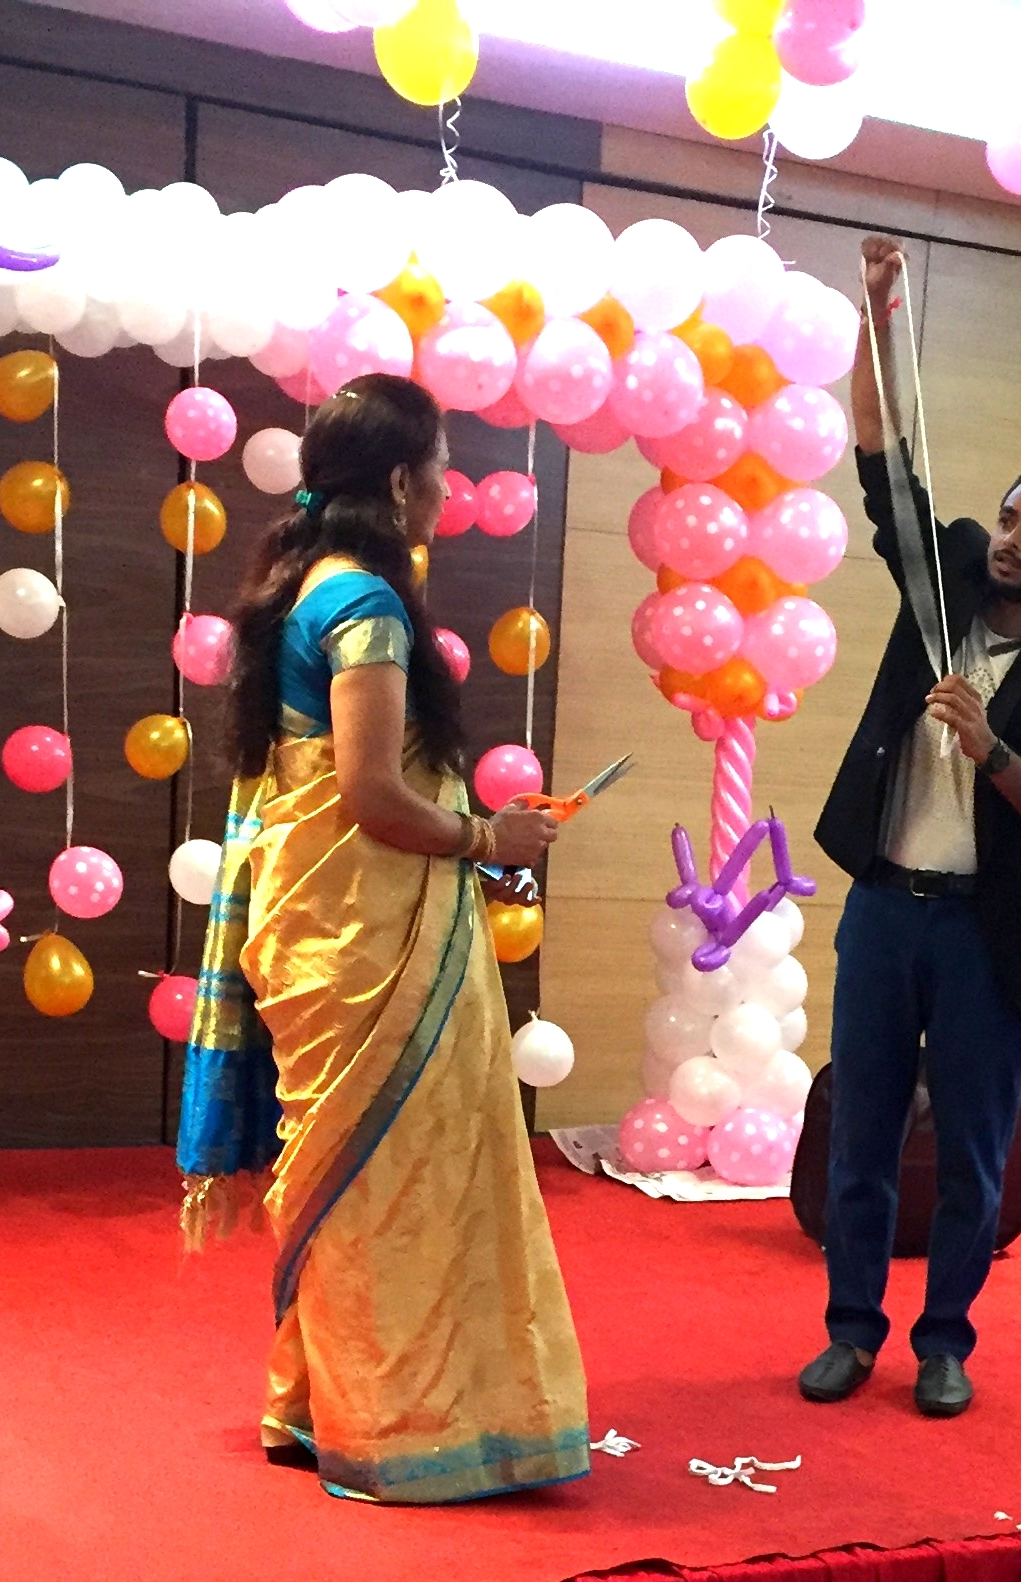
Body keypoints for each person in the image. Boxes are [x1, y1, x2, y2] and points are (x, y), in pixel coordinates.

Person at [176, 374, 592, 1503]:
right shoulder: (362, 603)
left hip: (324, 919)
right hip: (364, 932)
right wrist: (489, 836)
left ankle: (313, 1402)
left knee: (353, 1173)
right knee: (396, 1182)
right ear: (403, 480)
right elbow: (368, 795)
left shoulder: (295, 584)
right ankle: (395, 1423)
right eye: (442, 467)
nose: (449, 489)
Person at [799, 236, 1021, 1419]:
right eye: (1007, 517)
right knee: (861, 1135)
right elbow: (878, 450)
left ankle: (944, 1343)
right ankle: (851, 1332)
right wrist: (875, 311)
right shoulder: (939, 579)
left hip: (984, 936)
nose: (1011, 539)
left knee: (970, 1156)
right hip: (884, 909)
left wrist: (992, 751)